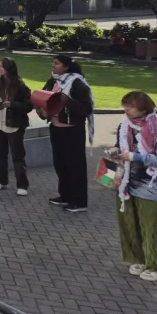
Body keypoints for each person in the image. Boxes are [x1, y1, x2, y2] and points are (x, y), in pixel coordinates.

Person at [107, 91, 157, 282]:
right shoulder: (124, 125)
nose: (126, 109)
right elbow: (121, 146)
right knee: (129, 224)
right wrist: (115, 151)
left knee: (152, 227)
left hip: (150, 186)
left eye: (130, 106)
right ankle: (138, 259)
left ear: (143, 108)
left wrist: (135, 157)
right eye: (125, 105)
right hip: (127, 183)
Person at [41, 55, 94, 213]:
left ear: (66, 67)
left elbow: (87, 108)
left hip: (72, 129)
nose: (53, 65)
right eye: (53, 63)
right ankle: (65, 195)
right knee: (60, 163)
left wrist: (67, 101)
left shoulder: (77, 82)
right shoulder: (53, 80)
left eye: (57, 63)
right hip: (56, 127)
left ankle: (79, 201)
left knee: (75, 165)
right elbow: (45, 96)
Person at [0, 58, 33, 195]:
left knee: (17, 155)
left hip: (14, 124)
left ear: (9, 68)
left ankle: (22, 185)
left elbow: (28, 105)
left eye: (1, 66)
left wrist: (12, 105)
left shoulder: (20, 85)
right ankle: (1, 180)